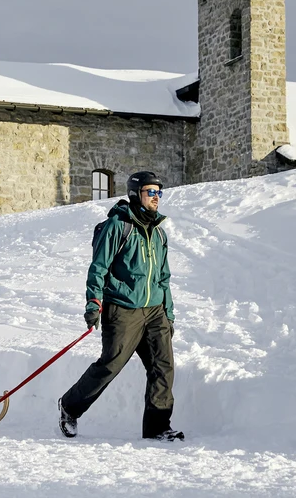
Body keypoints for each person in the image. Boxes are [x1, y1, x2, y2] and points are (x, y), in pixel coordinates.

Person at [58, 171, 183, 441]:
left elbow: (163, 277)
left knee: (163, 366)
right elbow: (98, 267)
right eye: (151, 192)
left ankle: (158, 427)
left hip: (155, 311)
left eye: (159, 192)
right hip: (123, 309)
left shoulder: (159, 234)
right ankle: (70, 406)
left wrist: (168, 314)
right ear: (136, 194)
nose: (156, 197)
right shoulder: (117, 226)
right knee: (110, 364)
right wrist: (93, 302)